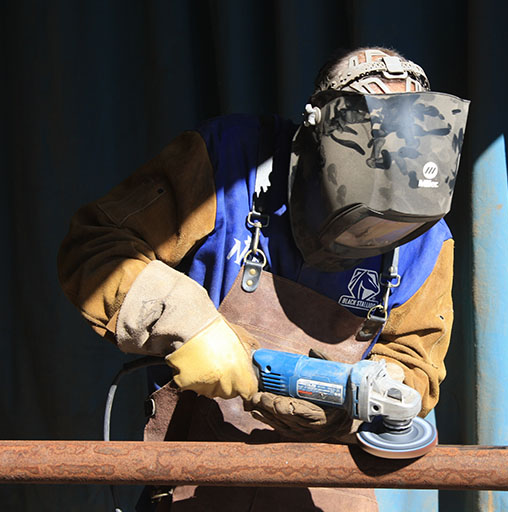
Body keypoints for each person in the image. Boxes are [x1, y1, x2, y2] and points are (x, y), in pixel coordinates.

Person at [58, 46, 469, 511]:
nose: (373, 240)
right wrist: (188, 325)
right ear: (316, 143)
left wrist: (355, 402)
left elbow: (415, 362)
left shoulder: (428, 238)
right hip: (198, 479)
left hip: (326, 491)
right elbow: (95, 248)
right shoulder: (228, 163)